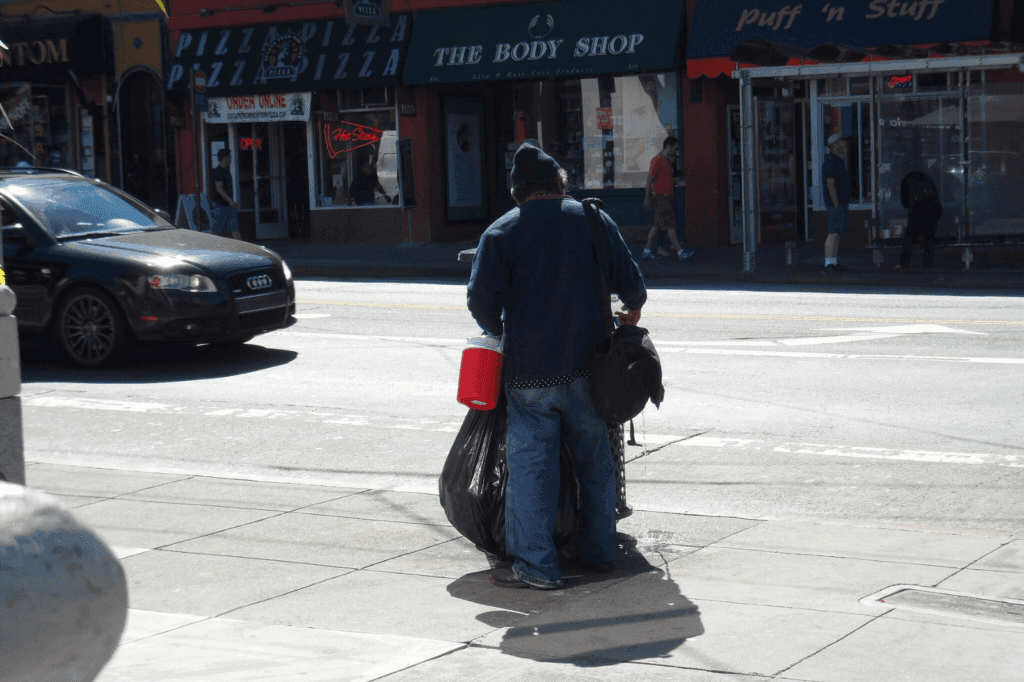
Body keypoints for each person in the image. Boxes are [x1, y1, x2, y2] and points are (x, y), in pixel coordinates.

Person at [467, 143, 647, 590]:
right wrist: (630, 312)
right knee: (595, 461)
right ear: (559, 183)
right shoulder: (591, 219)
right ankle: (600, 551)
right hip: (590, 370)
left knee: (532, 469)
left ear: (517, 191)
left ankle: (537, 566)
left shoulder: (500, 233)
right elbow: (633, 287)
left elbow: (480, 302)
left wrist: (502, 328)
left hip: (530, 373)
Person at [642, 137, 691, 261]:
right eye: (675, 149)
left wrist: (678, 183)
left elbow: (666, 179)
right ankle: (680, 252)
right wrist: (647, 199)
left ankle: (647, 251)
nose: (676, 152)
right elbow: (648, 181)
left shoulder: (667, 162)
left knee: (656, 226)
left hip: (666, 198)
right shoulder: (657, 160)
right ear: (668, 146)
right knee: (671, 225)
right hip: (662, 198)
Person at [896, 170, 942, 272]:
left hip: (918, 209)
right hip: (934, 209)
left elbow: (905, 202)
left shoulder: (906, 180)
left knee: (909, 237)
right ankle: (927, 265)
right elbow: (936, 196)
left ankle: (903, 264)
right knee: (929, 236)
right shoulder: (927, 177)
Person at [821, 133, 851, 274]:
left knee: (838, 233)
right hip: (835, 204)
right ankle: (828, 264)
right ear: (834, 145)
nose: (844, 145)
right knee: (833, 233)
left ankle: (833, 262)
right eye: (841, 142)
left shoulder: (838, 161)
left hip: (841, 202)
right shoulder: (831, 162)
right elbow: (830, 184)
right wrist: (836, 203)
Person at [209, 149, 241, 240]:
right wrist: (230, 201)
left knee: (235, 228)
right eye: (229, 157)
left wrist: (231, 202)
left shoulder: (226, 170)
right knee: (215, 228)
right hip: (220, 205)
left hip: (229, 205)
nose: (231, 159)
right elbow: (219, 188)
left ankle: (240, 249)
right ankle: (204, 246)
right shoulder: (218, 171)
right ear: (225, 158)